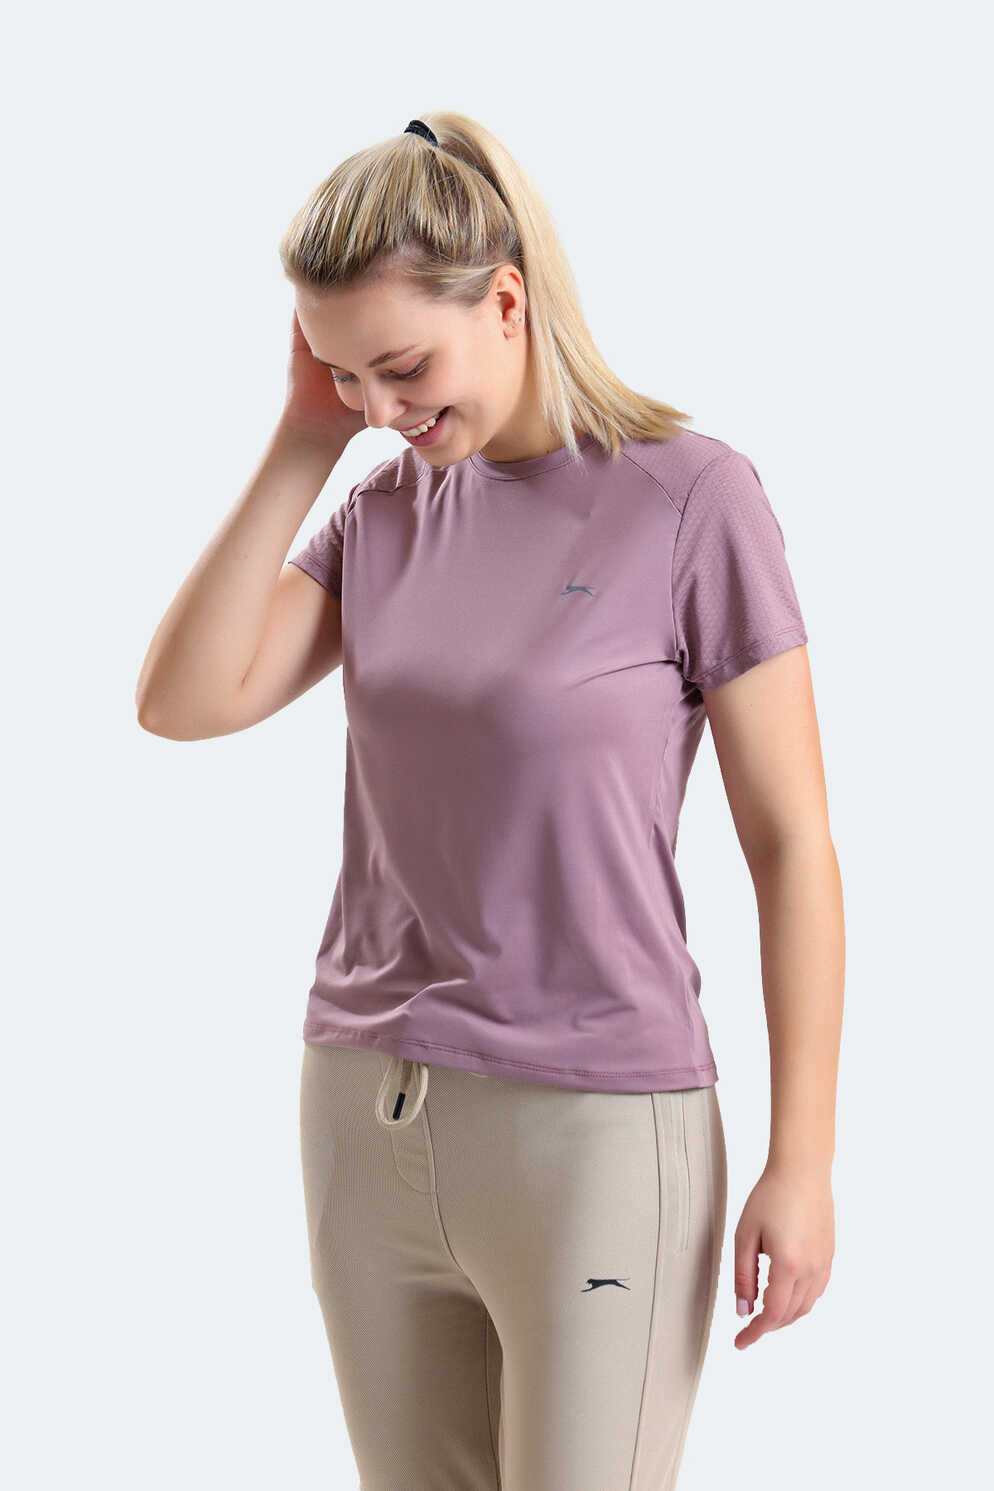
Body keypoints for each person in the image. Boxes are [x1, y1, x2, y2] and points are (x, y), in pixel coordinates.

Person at [136, 110, 844, 1491]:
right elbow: (184, 700)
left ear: (506, 300)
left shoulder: (690, 499)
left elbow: (791, 843)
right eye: (345, 374)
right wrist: (302, 439)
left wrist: (801, 1158)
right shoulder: (382, 513)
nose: (381, 409)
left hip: (598, 1132)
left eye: (403, 367)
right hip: (364, 1107)